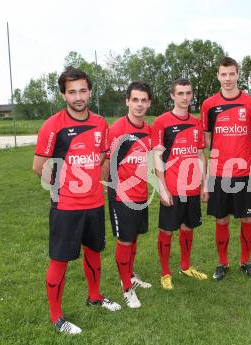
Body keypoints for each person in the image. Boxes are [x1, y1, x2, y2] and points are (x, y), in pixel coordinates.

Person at [33, 67, 120, 335]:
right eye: (72, 92)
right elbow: (38, 166)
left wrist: (95, 181)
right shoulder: (52, 125)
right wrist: (63, 184)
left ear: (90, 92)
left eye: (83, 90)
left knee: (94, 253)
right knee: (60, 260)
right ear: (63, 95)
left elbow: (103, 158)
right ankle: (56, 316)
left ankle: (95, 296)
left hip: (94, 203)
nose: (78, 96)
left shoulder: (101, 123)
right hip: (66, 206)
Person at [200, 56, 251, 281]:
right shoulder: (209, 105)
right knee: (221, 219)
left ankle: (246, 261)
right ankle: (222, 263)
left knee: (248, 219)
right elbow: (205, 143)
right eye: (223, 74)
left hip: (247, 172)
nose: (227, 78)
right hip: (219, 172)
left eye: (231, 74)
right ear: (218, 76)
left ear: (237, 74)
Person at [152, 78, 208, 290]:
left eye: (188, 93)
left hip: (192, 187)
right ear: (172, 96)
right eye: (181, 93)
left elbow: (200, 155)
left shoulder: (196, 123)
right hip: (172, 188)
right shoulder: (162, 122)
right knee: (167, 231)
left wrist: (204, 185)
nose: (185, 97)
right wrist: (162, 188)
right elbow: (157, 157)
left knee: (188, 227)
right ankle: (165, 272)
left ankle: (185, 266)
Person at [102, 81, 153, 309]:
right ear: (127, 101)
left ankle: (131, 275)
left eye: (143, 100)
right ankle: (126, 289)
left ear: (149, 103)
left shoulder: (148, 130)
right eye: (135, 100)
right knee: (124, 240)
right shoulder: (117, 130)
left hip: (141, 193)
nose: (139, 104)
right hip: (121, 196)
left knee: (134, 237)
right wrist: (107, 187)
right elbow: (106, 163)